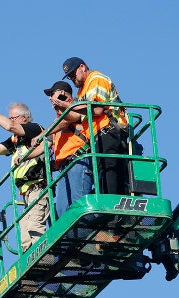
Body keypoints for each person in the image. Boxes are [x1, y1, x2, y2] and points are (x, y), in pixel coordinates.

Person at [0, 102, 50, 252]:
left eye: (13, 118)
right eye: (10, 118)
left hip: (37, 186)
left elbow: (9, 126)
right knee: (25, 236)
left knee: (35, 226)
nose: (11, 121)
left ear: (24, 118)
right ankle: (30, 265)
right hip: (25, 192)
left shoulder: (34, 129)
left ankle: (45, 257)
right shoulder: (15, 139)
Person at [54, 57, 129, 195]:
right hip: (97, 134)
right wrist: (61, 109)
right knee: (104, 172)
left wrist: (66, 105)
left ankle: (111, 208)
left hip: (109, 130)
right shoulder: (82, 90)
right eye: (69, 76)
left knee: (108, 170)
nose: (72, 78)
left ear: (82, 67)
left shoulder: (96, 79)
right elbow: (78, 115)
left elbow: (97, 110)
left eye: (73, 74)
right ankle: (108, 208)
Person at [39, 81, 94, 217]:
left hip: (79, 160)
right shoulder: (57, 120)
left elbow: (68, 120)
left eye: (53, 94)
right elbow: (44, 142)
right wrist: (22, 159)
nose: (50, 98)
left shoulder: (76, 106)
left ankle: (86, 231)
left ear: (62, 93)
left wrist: (43, 133)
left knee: (78, 205)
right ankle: (73, 236)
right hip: (64, 166)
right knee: (62, 211)